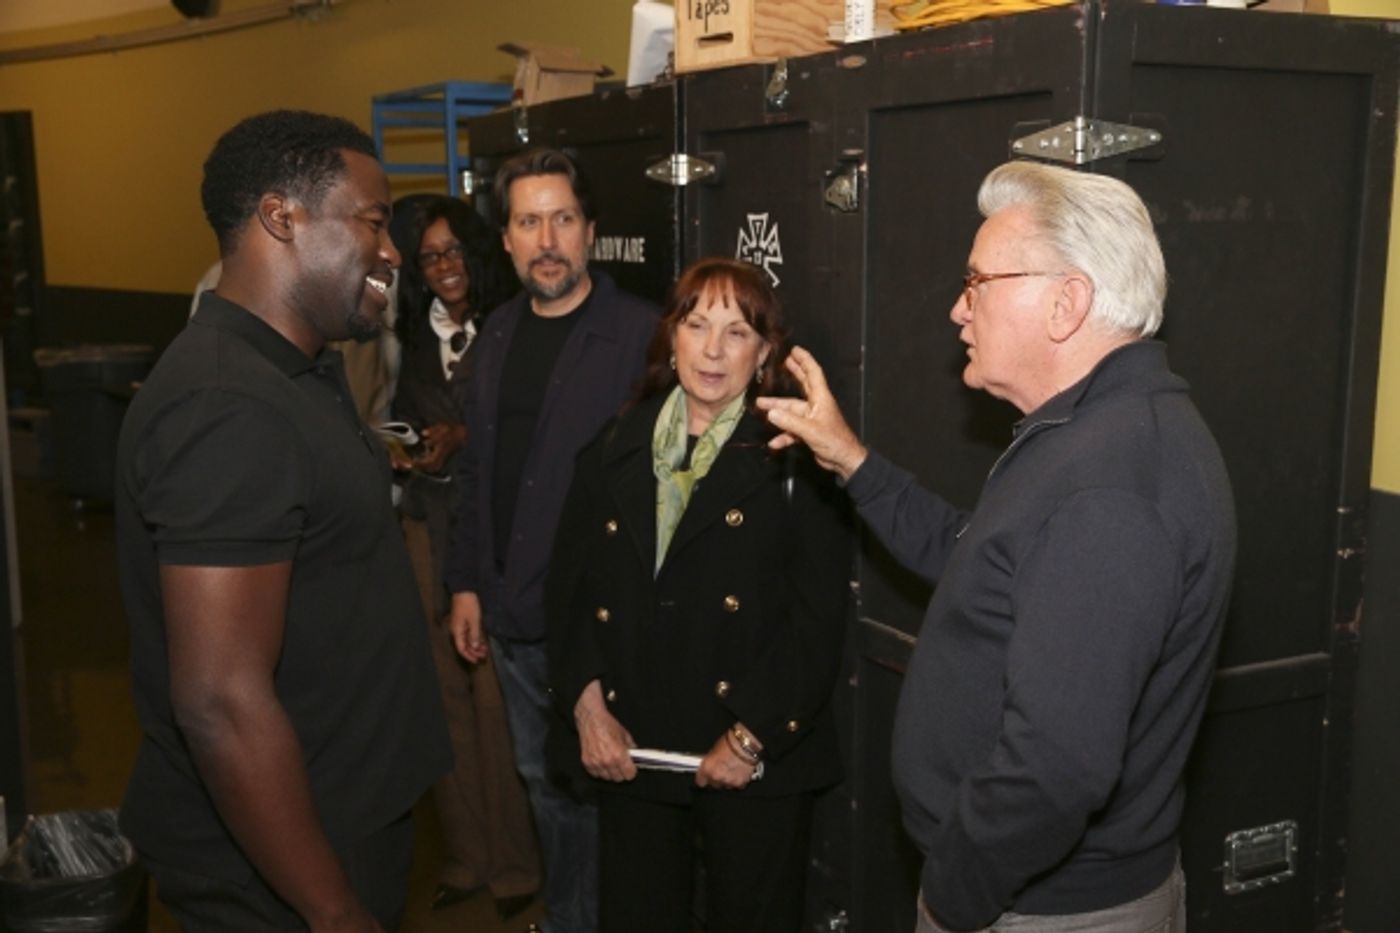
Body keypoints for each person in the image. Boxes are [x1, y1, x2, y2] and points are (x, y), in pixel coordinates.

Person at [758, 161, 1237, 933]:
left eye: (977, 282)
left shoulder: (1107, 487)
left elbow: (1057, 767)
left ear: (1065, 301)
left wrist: (954, 891)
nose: (958, 308)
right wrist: (851, 459)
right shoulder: (1090, 433)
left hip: (1037, 910)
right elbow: (974, 555)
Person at [114, 110, 451, 932]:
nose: (394, 251)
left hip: (338, 822)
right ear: (281, 217)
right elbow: (221, 699)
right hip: (282, 871)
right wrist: (332, 908)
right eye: (373, 222)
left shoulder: (295, 370)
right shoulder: (226, 407)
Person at [545, 257, 851, 932]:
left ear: (766, 349)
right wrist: (587, 707)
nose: (712, 349)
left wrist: (748, 739)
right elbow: (568, 594)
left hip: (751, 753)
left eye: (737, 331)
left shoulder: (799, 457)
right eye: (697, 324)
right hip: (634, 748)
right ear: (670, 336)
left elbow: (819, 622)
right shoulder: (615, 444)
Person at [443, 147, 659, 933]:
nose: (547, 239)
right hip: (509, 612)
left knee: (602, 793)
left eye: (563, 219)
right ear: (505, 240)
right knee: (543, 780)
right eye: (529, 222)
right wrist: (466, 581)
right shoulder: (496, 334)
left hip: (600, 627)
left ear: (591, 230)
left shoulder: (640, 336)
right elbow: (478, 471)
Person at [391, 195, 542, 916]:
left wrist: (462, 438)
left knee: (494, 699)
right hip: (424, 524)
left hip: (489, 531)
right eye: (430, 257)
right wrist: (408, 449)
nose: (445, 267)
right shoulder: (405, 337)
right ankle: (466, 852)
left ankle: (515, 862)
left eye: (455, 252)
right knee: (441, 695)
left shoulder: (512, 327)